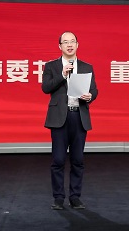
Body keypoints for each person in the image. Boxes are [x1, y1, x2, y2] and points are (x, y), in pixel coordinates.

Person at [42, 31, 98, 210]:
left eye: (72, 41)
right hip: (60, 117)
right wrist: (62, 74)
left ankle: (75, 197)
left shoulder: (87, 67)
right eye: (65, 42)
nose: (69, 45)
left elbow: (94, 90)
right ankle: (58, 197)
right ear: (60, 46)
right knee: (58, 160)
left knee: (78, 160)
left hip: (78, 116)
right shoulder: (51, 66)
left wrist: (90, 96)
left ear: (77, 45)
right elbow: (46, 88)